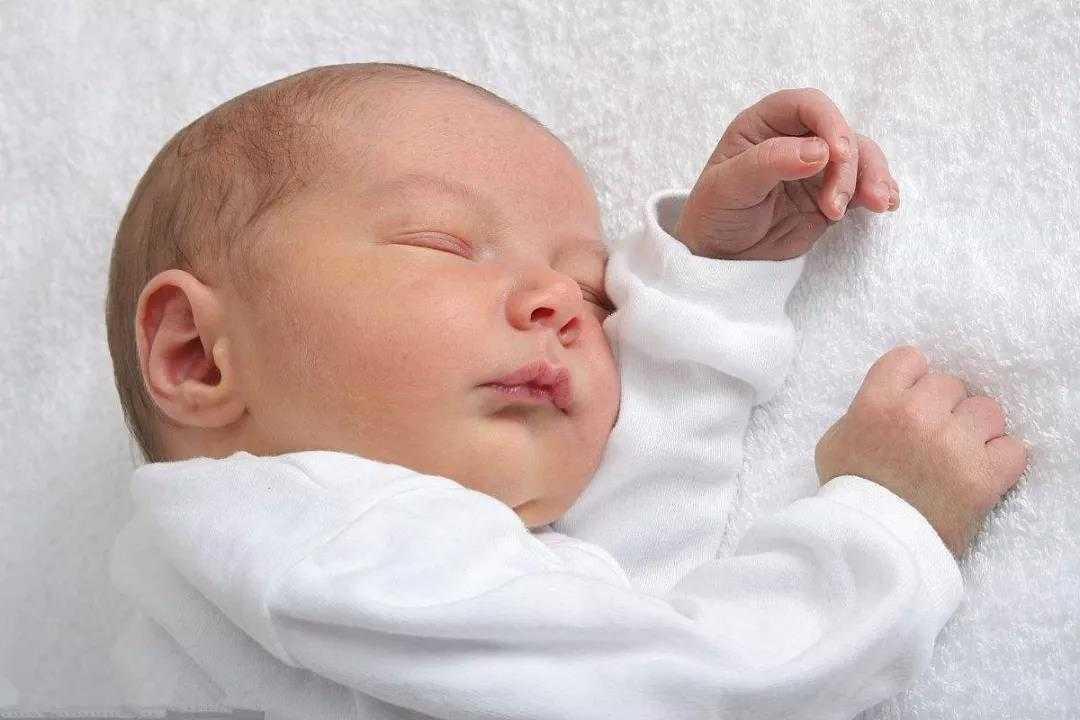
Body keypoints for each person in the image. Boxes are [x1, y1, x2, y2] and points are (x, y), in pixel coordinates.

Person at [105, 63, 1026, 719]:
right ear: (197, 356)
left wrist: (709, 282)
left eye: (595, 292)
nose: (561, 303)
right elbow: (681, 683)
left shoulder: (354, 576)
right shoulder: (308, 537)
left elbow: (628, 601)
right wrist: (890, 524)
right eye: (443, 243)